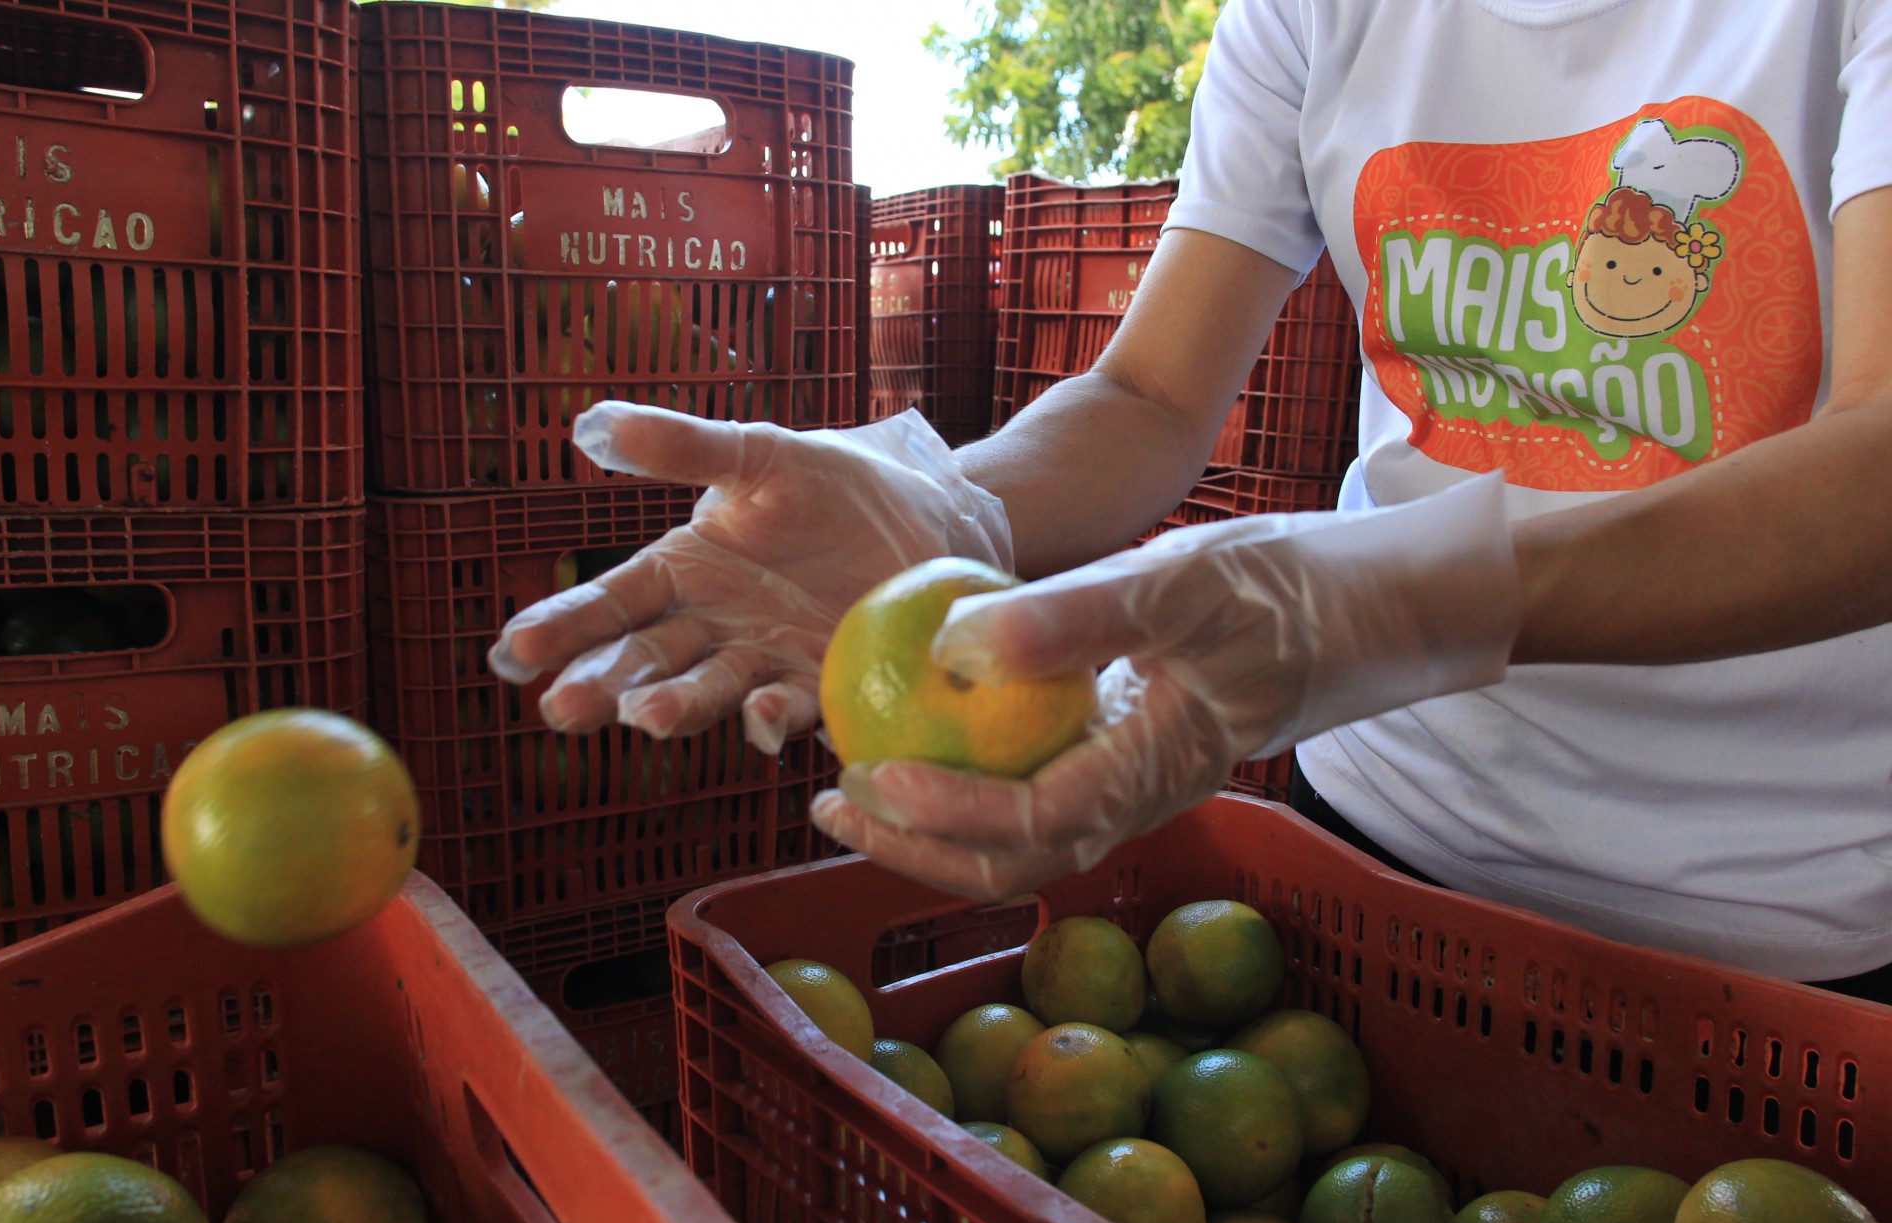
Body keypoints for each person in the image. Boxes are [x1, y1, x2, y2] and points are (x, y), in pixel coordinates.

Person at [487, 0, 1892, 998]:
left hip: (1782, 901)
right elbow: (1152, 399)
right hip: (1382, 829)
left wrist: (1394, 600)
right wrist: (956, 506)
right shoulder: (1309, 15)